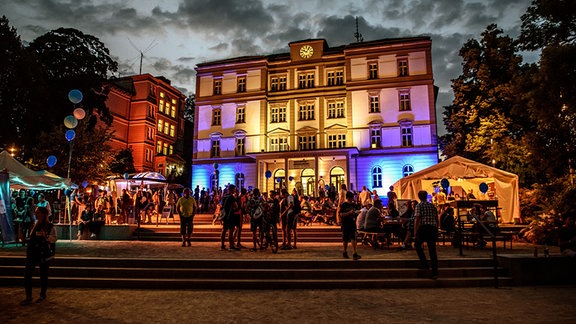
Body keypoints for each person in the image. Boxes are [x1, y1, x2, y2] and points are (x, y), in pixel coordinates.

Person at [20, 206, 57, 305]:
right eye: (36, 212)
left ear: (44, 214)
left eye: (38, 213)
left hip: (43, 253)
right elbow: (32, 237)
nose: (36, 214)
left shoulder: (50, 226)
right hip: (33, 253)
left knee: (43, 275)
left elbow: (54, 239)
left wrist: (47, 237)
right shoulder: (35, 224)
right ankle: (28, 296)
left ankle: (42, 294)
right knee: (27, 274)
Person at [414, 190, 439, 279]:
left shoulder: (419, 206)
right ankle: (435, 272)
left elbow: (417, 219)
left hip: (423, 228)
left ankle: (425, 264)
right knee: (432, 250)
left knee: (417, 245)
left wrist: (415, 231)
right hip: (432, 228)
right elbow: (436, 218)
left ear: (419, 197)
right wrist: (437, 228)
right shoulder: (432, 206)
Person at [339, 191, 361, 260]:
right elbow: (341, 214)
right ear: (349, 198)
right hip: (345, 223)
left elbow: (356, 211)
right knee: (345, 239)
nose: (352, 199)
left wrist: (357, 213)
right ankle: (345, 251)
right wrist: (349, 213)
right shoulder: (344, 205)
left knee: (353, 238)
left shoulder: (354, 205)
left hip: (352, 223)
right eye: (352, 197)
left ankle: (354, 253)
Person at [220, 185, 240, 251]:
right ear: (232, 189)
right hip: (230, 215)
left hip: (224, 215)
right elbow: (236, 206)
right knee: (231, 230)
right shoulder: (232, 197)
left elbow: (221, 205)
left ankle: (222, 244)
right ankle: (231, 245)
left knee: (224, 230)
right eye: (234, 189)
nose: (235, 190)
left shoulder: (224, 196)